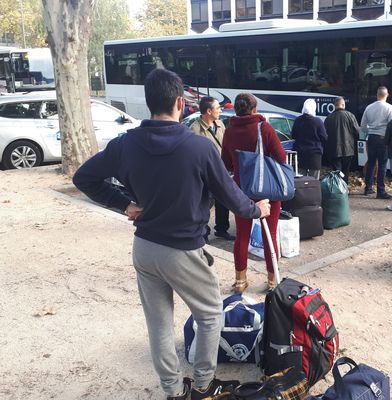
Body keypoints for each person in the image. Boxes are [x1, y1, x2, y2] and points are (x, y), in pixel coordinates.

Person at [72, 69, 271, 400]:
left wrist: (123, 204)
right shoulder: (199, 148)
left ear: (149, 103)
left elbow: (85, 178)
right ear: (181, 102)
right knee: (209, 316)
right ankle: (204, 386)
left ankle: (173, 391)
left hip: (145, 248)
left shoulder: (125, 144)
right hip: (184, 250)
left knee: (159, 325)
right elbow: (231, 196)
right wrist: (257, 210)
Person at [221, 93, 286, 292]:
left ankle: (240, 281)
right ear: (254, 109)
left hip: (241, 190)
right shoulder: (264, 128)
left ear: (237, 110)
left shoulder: (230, 131)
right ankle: (273, 281)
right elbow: (281, 158)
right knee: (270, 235)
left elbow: (225, 163)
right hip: (267, 189)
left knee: (242, 235)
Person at [190, 96, 235, 241]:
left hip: (221, 171)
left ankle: (222, 229)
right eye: (217, 108)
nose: (220, 110)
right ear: (208, 111)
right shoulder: (195, 129)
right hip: (205, 174)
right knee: (205, 204)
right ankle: (204, 232)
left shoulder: (220, 124)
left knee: (223, 201)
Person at [361, 86, 392, 198]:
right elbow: (391, 125)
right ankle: (381, 191)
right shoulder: (390, 108)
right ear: (387, 95)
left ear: (377, 94)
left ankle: (368, 188)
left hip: (371, 138)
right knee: (382, 165)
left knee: (370, 163)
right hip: (383, 138)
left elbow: (363, 125)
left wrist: (367, 134)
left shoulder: (369, 107)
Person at [324, 97, 360, 183]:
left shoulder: (329, 118)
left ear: (334, 106)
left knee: (337, 171)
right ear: (343, 105)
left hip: (334, 149)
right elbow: (357, 132)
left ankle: (338, 187)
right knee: (346, 170)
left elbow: (325, 134)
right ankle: (344, 187)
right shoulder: (350, 116)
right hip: (348, 149)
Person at [291, 98, 328, 179]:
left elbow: (293, 135)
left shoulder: (298, 120)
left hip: (300, 154)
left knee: (300, 179)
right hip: (315, 155)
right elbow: (324, 137)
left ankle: (301, 192)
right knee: (314, 180)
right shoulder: (318, 121)